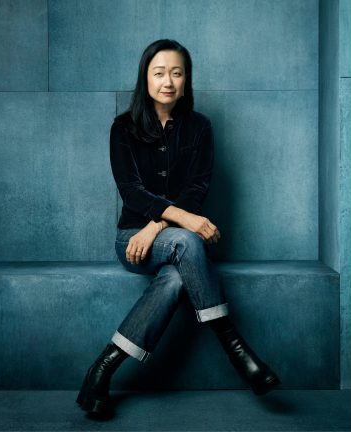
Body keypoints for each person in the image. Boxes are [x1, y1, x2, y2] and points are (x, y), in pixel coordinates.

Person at [76, 39, 280, 419]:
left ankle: (102, 369)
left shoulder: (200, 128)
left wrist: (156, 226)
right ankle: (236, 348)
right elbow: (132, 192)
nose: (168, 81)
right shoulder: (123, 128)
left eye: (176, 73)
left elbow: (196, 190)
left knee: (173, 278)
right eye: (159, 73)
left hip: (161, 239)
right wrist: (177, 222)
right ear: (146, 78)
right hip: (132, 241)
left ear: (186, 80)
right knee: (187, 239)